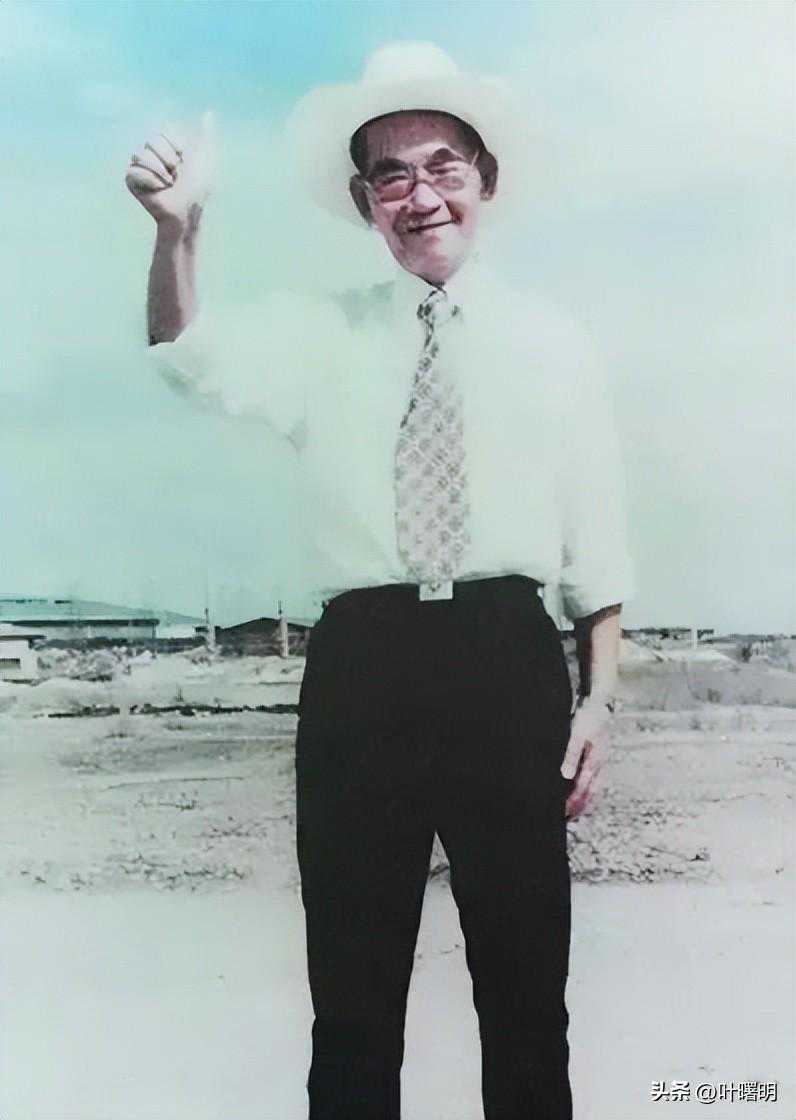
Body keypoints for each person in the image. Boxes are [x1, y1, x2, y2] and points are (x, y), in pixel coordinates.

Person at [125, 41, 635, 1120]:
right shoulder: (320, 332)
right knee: (352, 1003)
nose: (421, 195)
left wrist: (598, 700)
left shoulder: (553, 343)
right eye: (391, 176)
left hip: (506, 659)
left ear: (484, 179)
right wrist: (178, 232)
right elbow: (184, 354)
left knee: (526, 993)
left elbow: (597, 543)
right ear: (364, 203)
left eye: (443, 166)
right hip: (364, 666)